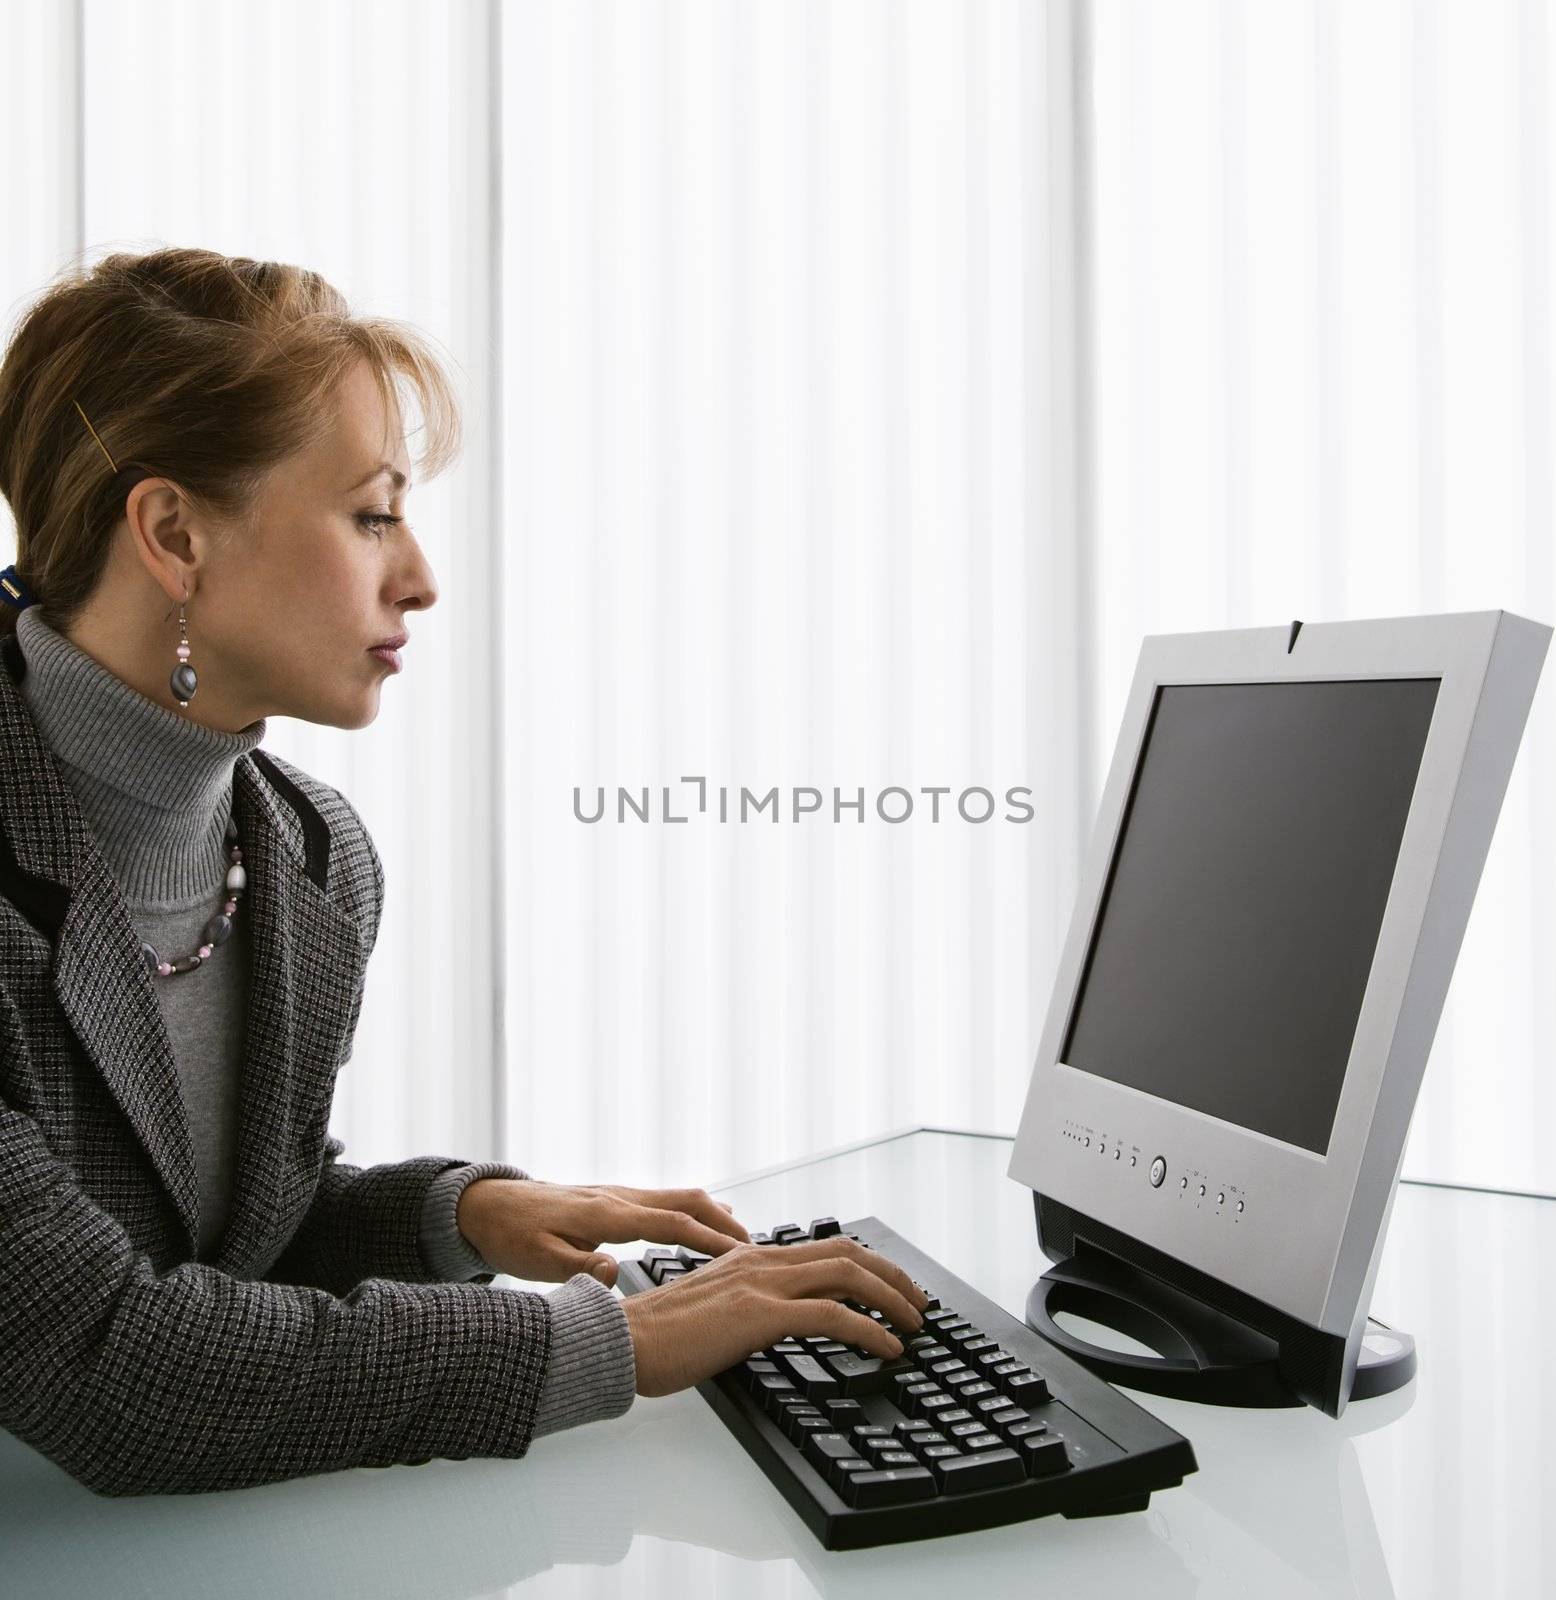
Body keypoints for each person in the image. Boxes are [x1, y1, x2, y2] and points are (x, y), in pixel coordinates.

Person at [0, 246, 925, 1498]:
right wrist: (618, 1341)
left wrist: (462, 1211)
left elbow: (228, 1237)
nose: (419, 577)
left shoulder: (312, 856)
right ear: (174, 535)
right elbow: (111, 1361)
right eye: (373, 513)